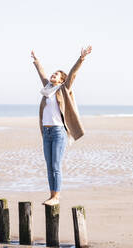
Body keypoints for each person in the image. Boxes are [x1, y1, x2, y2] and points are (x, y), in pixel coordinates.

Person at [31, 45, 92, 205]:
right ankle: (52, 195)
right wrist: (36, 60)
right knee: (49, 166)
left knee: (56, 166)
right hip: (47, 132)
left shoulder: (63, 89)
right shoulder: (47, 89)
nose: (53, 75)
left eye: (56, 74)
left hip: (58, 132)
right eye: (53, 73)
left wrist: (81, 59)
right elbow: (42, 74)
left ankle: (56, 197)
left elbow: (73, 74)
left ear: (62, 80)